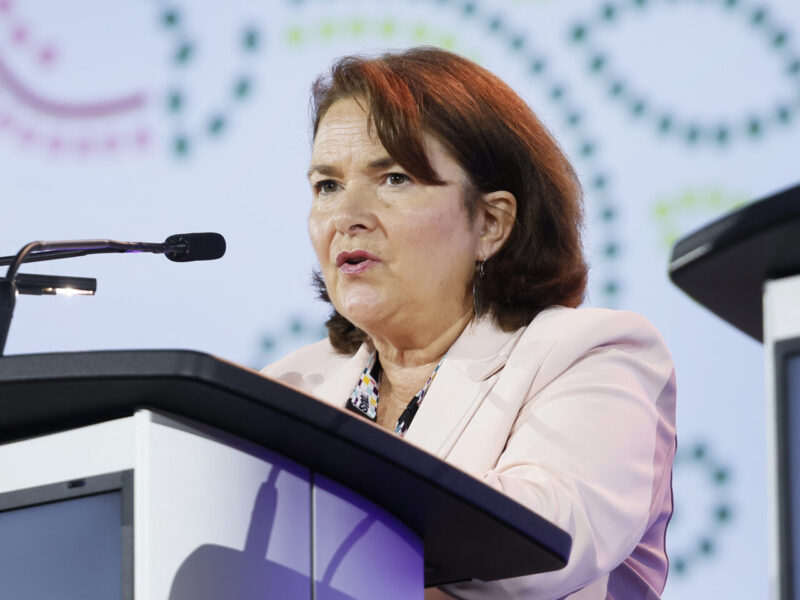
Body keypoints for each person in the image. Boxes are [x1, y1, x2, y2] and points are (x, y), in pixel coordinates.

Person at [262, 47, 676, 599]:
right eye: (327, 186)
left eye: (394, 178)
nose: (346, 216)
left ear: (490, 222)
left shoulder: (589, 354)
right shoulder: (288, 387)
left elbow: (541, 547)